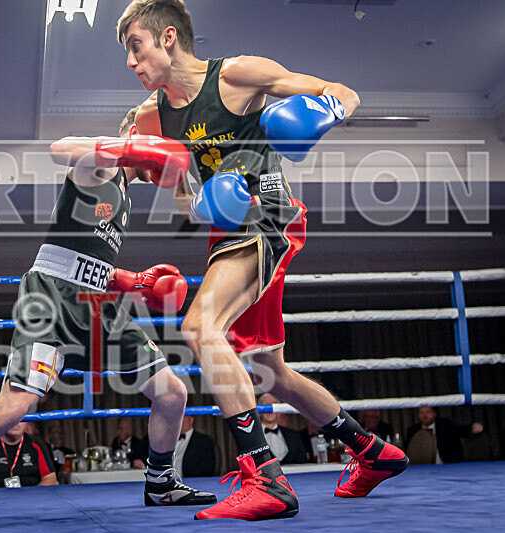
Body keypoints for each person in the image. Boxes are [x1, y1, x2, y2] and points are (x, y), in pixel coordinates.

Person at [116, 0, 408, 520]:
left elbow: (342, 92)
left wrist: (324, 111)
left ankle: (265, 477)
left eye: (136, 47)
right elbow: (171, 190)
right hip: (226, 229)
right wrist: (146, 176)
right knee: (269, 371)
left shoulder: (237, 75)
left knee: (200, 326)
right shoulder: (150, 117)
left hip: (269, 214)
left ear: (166, 37)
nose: (132, 63)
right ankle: (372, 451)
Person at [0, 111, 215, 532]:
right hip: (49, 299)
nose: (164, 162)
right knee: (15, 405)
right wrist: (132, 147)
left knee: (172, 392)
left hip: (96, 304)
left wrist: (134, 282)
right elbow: (59, 149)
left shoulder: (124, 197)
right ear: (140, 139)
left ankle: (160, 482)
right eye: (159, 145)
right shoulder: (100, 167)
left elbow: (90, 264)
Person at [0, 422, 57, 488]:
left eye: (20, 419)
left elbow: (50, 478)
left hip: (31, 501)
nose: (16, 423)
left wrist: (33, 498)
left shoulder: (36, 444)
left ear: (26, 423)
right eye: (12, 419)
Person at [405, 406, 484, 464]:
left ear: (434, 414)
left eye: (428, 412)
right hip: (422, 469)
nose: (424, 415)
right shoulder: (412, 430)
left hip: (448, 466)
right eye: (421, 412)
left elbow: (460, 430)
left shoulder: (445, 425)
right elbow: (409, 452)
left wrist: (472, 428)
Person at [258, 394, 307, 465]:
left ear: (280, 411)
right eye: (266, 405)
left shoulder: (294, 435)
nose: (269, 410)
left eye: (274, 405)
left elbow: (302, 460)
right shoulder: (252, 437)